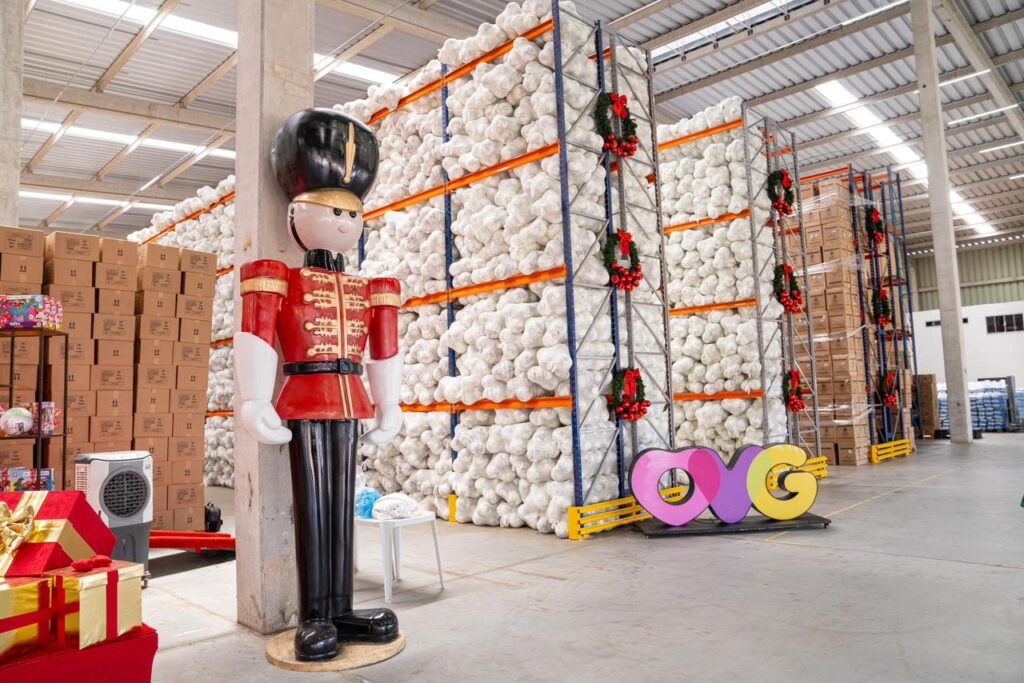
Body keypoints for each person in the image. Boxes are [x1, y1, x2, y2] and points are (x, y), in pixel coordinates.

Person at [234, 108, 402, 661]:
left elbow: (384, 348)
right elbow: (257, 334)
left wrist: (390, 405)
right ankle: (314, 616)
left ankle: (341, 609)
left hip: (351, 400)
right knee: (312, 508)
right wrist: (253, 399)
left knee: (340, 508)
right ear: (296, 213)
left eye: (353, 214)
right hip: (303, 399)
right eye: (333, 211)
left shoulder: (369, 287)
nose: (345, 223)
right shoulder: (278, 277)